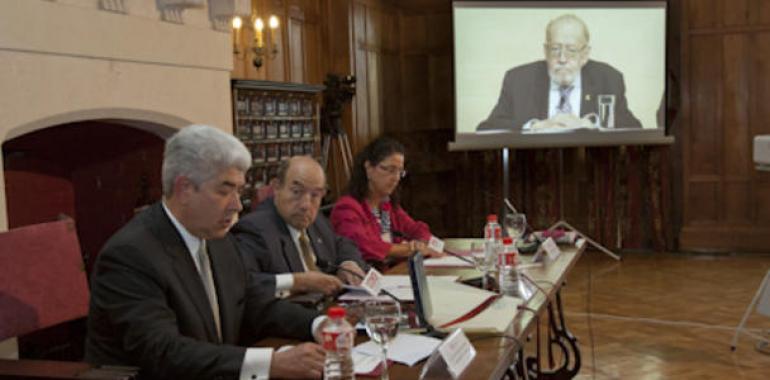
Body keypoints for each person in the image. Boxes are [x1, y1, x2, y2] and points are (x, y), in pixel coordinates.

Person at [86, 125, 327, 380]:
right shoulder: (130, 255)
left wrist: (318, 324)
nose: (236, 205)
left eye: (239, 191)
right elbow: (163, 352)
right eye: (225, 191)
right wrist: (269, 363)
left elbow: (254, 304)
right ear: (184, 189)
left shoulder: (218, 239)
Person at [477, 14, 642, 132]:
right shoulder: (518, 80)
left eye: (571, 50)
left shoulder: (608, 79)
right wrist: (535, 126)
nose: (562, 58)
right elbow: (487, 127)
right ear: (545, 51)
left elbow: (634, 128)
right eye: (555, 49)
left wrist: (593, 125)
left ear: (585, 54)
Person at [232, 156, 367, 298]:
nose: (306, 205)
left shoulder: (316, 220)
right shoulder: (254, 229)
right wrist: (298, 281)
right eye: (297, 192)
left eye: (315, 195)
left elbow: (341, 242)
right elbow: (248, 284)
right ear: (277, 187)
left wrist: (348, 263)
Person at [330, 137, 443, 266]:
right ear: (368, 168)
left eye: (400, 172)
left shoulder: (385, 207)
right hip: (369, 278)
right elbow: (364, 246)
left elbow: (414, 229)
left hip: (393, 273)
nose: (396, 178)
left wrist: (427, 242)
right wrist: (411, 248)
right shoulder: (347, 208)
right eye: (390, 170)